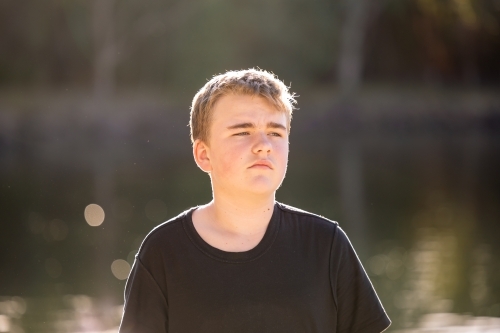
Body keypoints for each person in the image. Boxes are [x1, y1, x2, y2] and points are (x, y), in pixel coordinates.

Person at [119, 68, 391, 333]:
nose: (264, 144)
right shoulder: (163, 253)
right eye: (242, 132)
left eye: (275, 132)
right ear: (204, 154)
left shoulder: (326, 244)